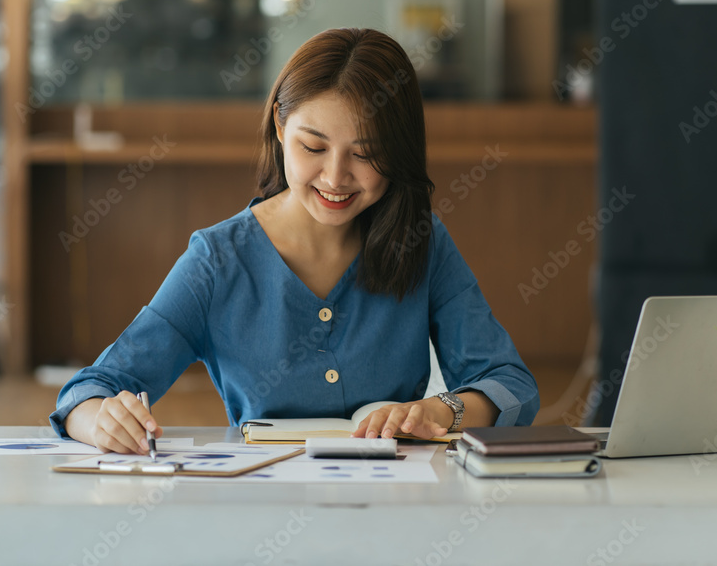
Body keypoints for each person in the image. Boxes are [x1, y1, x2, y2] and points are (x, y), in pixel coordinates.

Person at [51, 28, 539, 455]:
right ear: (281, 129)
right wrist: (101, 420)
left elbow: (510, 385)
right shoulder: (219, 260)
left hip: (395, 513)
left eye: (366, 154)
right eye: (314, 147)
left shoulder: (423, 240)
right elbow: (88, 390)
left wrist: (437, 412)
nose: (335, 176)